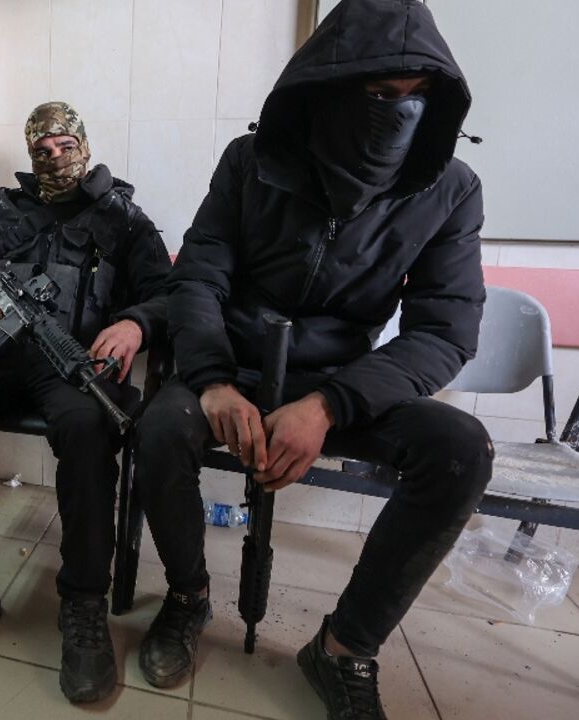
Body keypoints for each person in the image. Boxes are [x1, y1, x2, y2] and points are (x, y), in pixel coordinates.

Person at [132, 1, 492, 717]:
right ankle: (187, 595)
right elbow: (198, 276)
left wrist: (329, 406)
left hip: (338, 381)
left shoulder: (450, 190)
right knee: (159, 427)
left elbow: (445, 333)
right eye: (380, 96)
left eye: (419, 96)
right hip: (231, 364)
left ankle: (343, 649)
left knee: (460, 451)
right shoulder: (250, 162)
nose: (400, 114)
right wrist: (210, 382)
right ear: (330, 88)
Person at [0, 101, 171, 703]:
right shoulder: (8, 213)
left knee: (90, 427)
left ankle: (85, 601)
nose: (55, 156)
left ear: (84, 146)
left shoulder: (123, 218)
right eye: (43, 149)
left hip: (71, 363)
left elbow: (168, 296)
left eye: (66, 145)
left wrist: (136, 325)